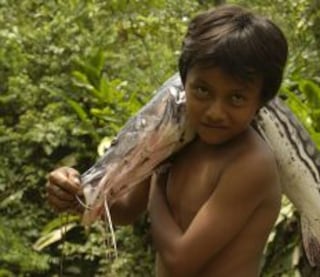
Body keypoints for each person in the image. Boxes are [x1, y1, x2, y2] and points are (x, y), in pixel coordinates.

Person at [47, 4, 288, 276]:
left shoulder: (250, 163)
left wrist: (157, 180)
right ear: (185, 83)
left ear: (261, 100)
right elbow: (125, 211)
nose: (215, 112)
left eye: (236, 98)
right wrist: (76, 194)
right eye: (202, 90)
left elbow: (179, 259)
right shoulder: (178, 138)